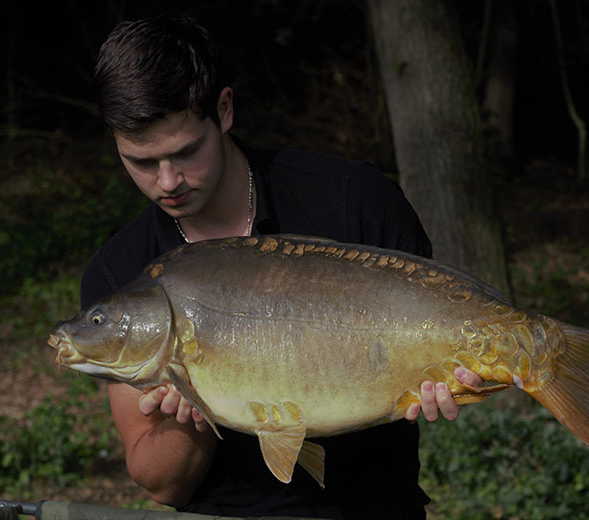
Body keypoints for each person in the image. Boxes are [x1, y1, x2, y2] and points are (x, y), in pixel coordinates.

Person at [81, 13, 482, 520]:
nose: (167, 182)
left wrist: (454, 375)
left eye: (185, 152)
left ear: (224, 110)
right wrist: (190, 410)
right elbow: (161, 486)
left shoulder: (353, 201)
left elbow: (430, 329)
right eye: (141, 162)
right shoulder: (121, 276)